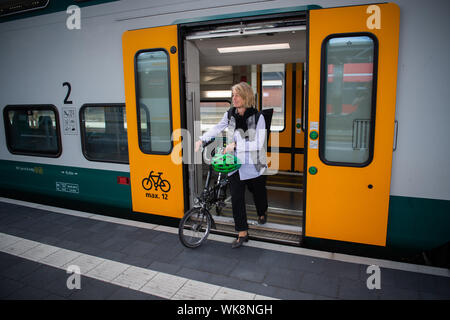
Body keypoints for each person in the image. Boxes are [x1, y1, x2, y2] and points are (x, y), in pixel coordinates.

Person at [195, 82, 268, 248]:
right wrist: (202, 139)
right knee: (236, 198)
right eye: (233, 95)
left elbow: (258, 143)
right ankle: (242, 232)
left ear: (246, 96)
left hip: (254, 166)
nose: (233, 98)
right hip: (235, 164)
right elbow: (217, 128)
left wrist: (236, 145)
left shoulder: (258, 117)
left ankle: (262, 211)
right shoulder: (230, 114)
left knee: (258, 193)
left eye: (237, 95)